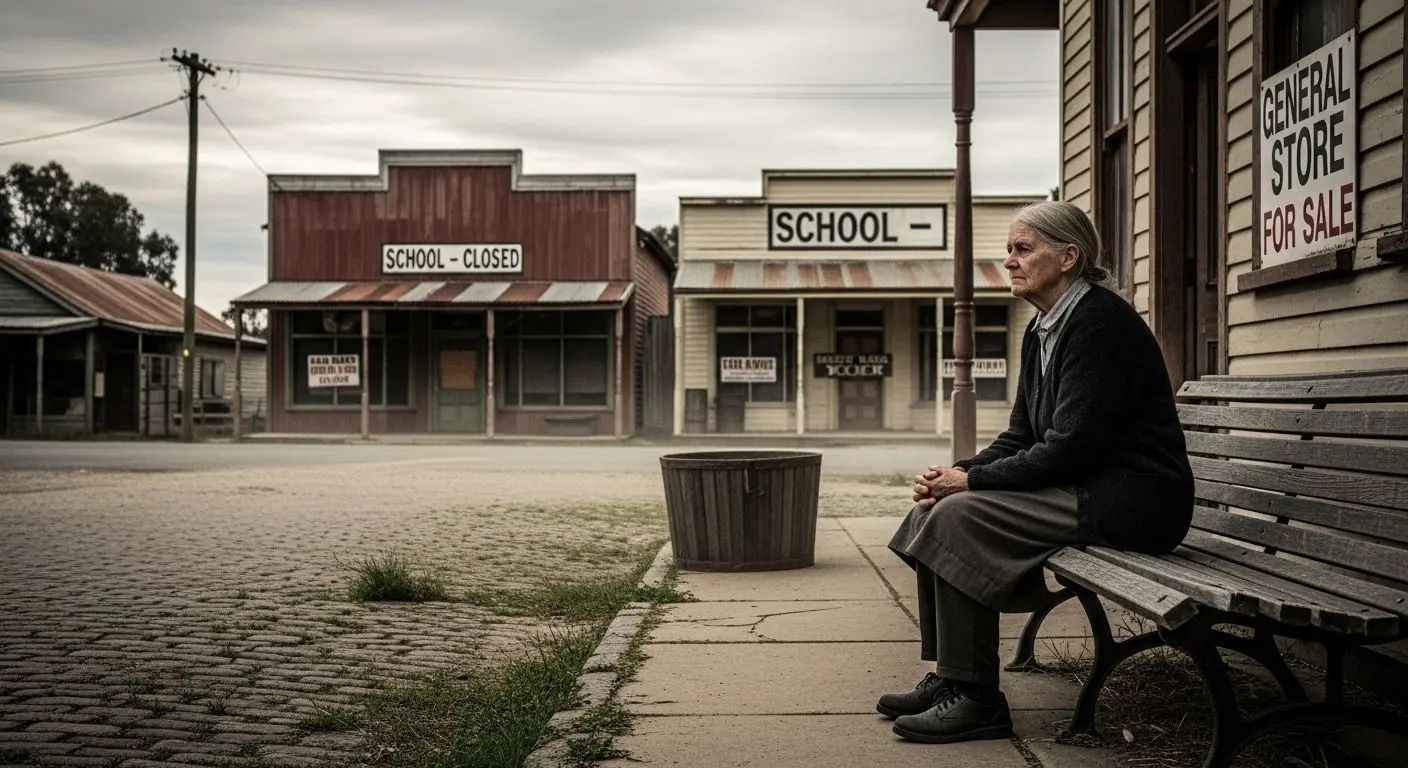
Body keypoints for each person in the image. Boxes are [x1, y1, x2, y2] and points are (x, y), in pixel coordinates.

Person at [877, 200, 1194, 744]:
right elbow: (1022, 435)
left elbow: (1070, 449)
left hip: (1134, 501)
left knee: (959, 518)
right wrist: (959, 471)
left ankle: (978, 700)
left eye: (1023, 249)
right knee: (935, 508)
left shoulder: (1099, 325)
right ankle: (955, 675)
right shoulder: (1043, 329)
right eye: (1009, 250)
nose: (1009, 261)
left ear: (1068, 257)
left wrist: (970, 484)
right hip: (1085, 486)